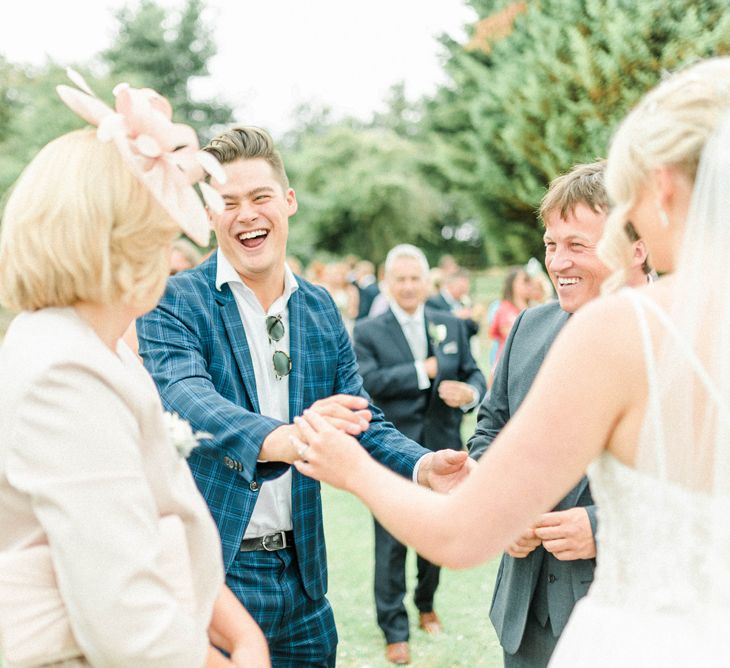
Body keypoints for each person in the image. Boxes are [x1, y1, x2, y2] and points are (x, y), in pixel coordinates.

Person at [291, 57, 730, 666]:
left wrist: (352, 467)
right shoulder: (564, 324)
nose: (564, 259)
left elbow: (460, 534)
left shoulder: (625, 328)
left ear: (662, 186)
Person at [136, 126, 473, 666]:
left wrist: (424, 464)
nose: (247, 214)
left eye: (260, 197)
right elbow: (185, 396)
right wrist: (286, 438)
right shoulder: (174, 301)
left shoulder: (319, 310)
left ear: (287, 202)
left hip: (305, 579)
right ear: (209, 215)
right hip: (216, 576)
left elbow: (362, 417)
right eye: (229, 202)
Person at [0, 75, 269, 667]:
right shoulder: (62, 373)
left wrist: (243, 634)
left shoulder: (95, 351)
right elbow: (121, 615)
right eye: (161, 234)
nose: (174, 253)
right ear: (120, 244)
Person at [470, 161, 649, 668]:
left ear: (635, 247)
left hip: (628, 613)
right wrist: (506, 508)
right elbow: (489, 431)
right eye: (551, 244)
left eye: (577, 245)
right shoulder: (529, 326)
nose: (557, 262)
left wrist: (602, 525)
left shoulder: (676, 340)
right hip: (526, 615)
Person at [353, 244, 487, 665]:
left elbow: (474, 373)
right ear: (389, 283)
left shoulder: (450, 323)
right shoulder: (368, 332)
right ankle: (394, 628)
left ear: (427, 282)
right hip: (392, 457)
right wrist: (421, 372)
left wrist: (471, 394)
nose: (409, 287)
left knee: (437, 537)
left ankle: (426, 604)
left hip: (442, 451)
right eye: (401, 279)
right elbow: (367, 382)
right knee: (390, 545)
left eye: (416, 279)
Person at [488, 266, 532, 368]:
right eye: (525, 281)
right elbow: (513, 337)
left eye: (529, 281)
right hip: (508, 364)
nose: (529, 285)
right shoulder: (504, 309)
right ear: (512, 285)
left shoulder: (532, 308)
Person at [426, 269, 480, 337]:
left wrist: (474, 318)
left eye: (466, 288)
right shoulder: (433, 301)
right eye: (462, 287)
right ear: (450, 285)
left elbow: (473, 331)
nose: (465, 291)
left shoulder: (465, 302)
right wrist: (454, 315)